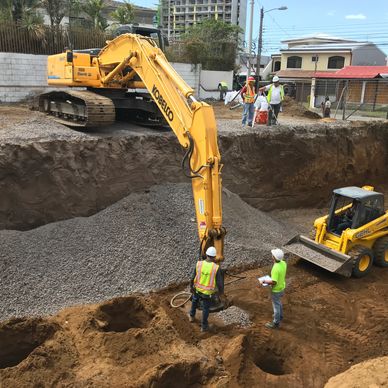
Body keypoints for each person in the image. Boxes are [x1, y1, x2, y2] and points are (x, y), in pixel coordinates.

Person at [189, 246, 224, 332]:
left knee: (194, 301)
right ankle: (204, 326)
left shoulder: (199, 264)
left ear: (206, 255)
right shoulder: (216, 268)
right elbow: (220, 283)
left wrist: (191, 287)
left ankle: (191, 316)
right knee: (205, 308)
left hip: (197, 289)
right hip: (207, 293)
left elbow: (192, 277)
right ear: (215, 257)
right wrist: (221, 292)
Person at [262, 248, 287, 329]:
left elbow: (274, 282)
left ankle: (276, 323)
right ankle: (280, 316)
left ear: (274, 257)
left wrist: (264, 281)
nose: (271, 255)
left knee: (276, 306)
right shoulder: (283, 263)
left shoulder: (276, 268)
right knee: (278, 302)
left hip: (276, 290)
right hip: (282, 287)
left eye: (272, 255)